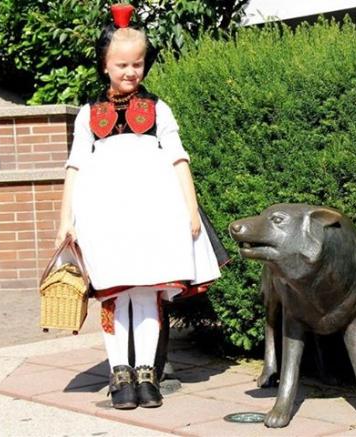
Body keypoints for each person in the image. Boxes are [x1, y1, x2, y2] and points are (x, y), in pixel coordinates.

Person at [55, 4, 226, 410]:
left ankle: (146, 374)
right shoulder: (88, 115)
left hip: (154, 215)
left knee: (147, 292)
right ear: (105, 65)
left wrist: (191, 208)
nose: (131, 72)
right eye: (121, 64)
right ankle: (120, 374)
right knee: (115, 293)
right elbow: (75, 165)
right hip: (104, 217)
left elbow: (178, 159)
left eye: (137, 63)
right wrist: (66, 219)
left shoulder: (159, 110)